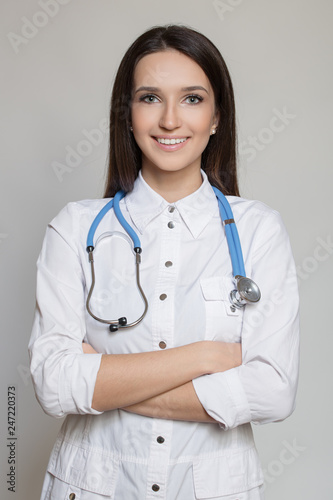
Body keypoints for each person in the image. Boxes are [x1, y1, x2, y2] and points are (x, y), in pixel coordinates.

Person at [28, 24, 300, 500]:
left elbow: (273, 390)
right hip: (91, 485)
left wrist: (105, 378)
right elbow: (53, 384)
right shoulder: (74, 228)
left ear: (217, 117)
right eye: (150, 98)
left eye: (192, 98)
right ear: (127, 115)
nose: (171, 120)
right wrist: (205, 357)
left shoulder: (259, 230)